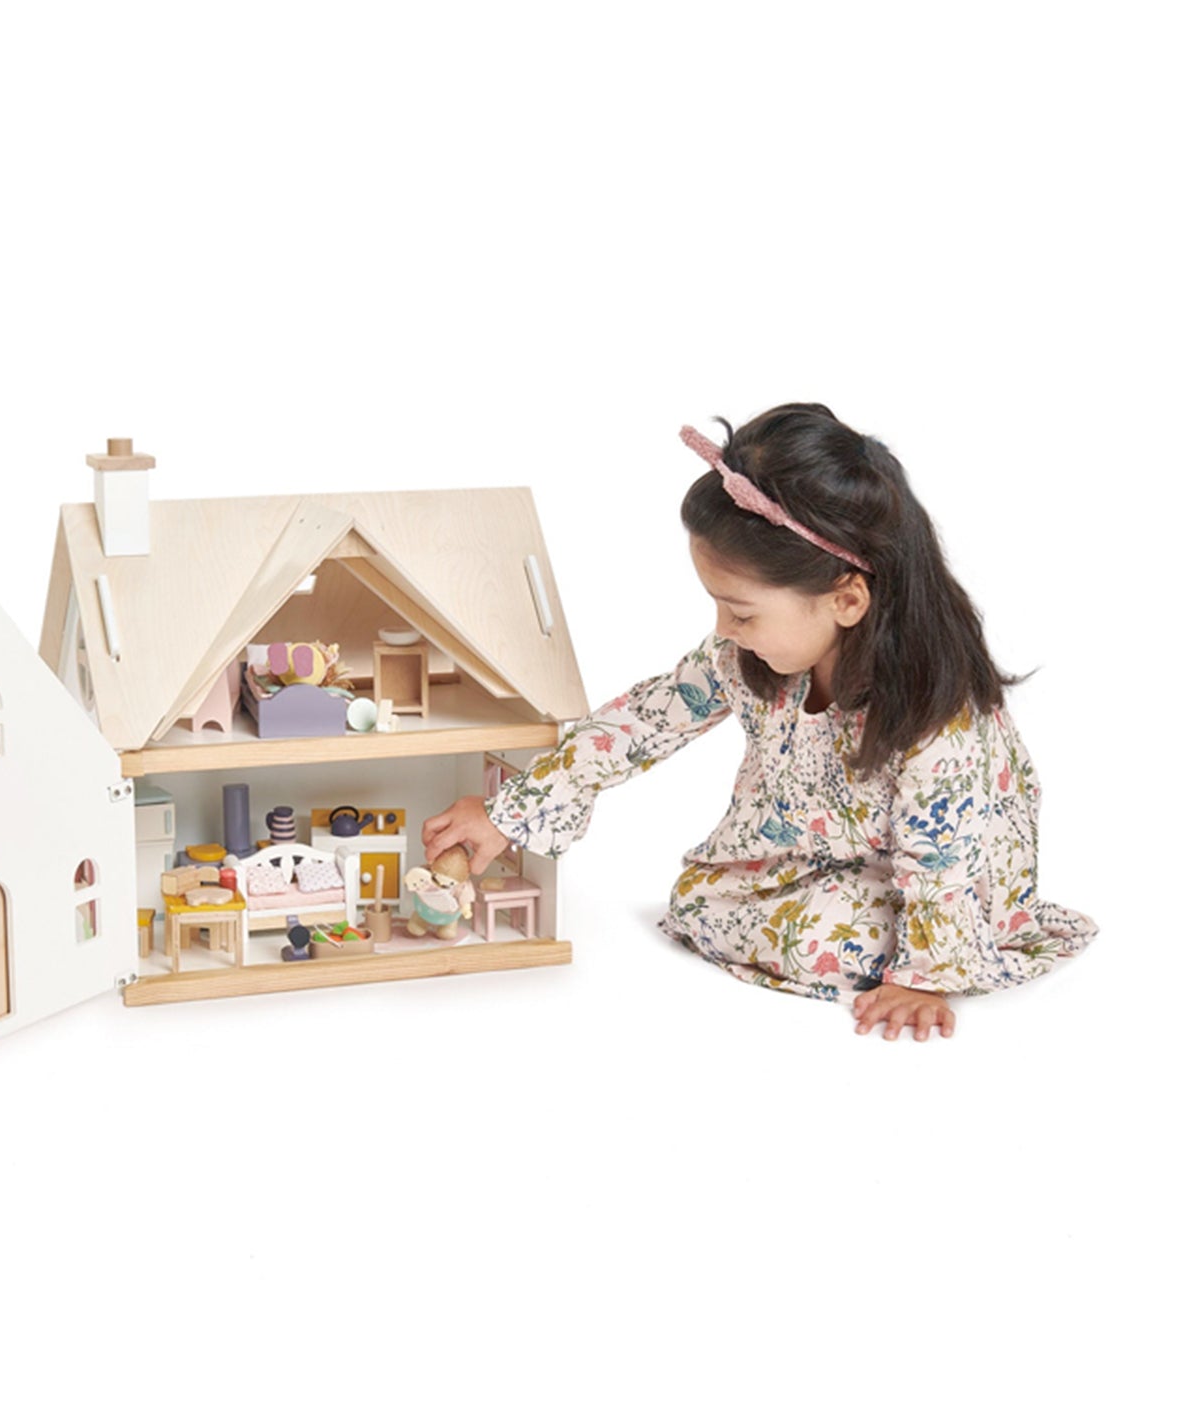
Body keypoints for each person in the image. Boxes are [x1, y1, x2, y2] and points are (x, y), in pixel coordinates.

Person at [422, 402, 1096, 1042]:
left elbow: (942, 853)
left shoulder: (934, 714)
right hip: (816, 853)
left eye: (740, 612)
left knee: (822, 937)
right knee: (695, 903)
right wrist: (510, 813)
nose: (724, 630)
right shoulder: (750, 655)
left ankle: (916, 946)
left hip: (937, 879)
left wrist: (926, 980)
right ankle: (822, 915)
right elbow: (641, 724)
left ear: (847, 601)